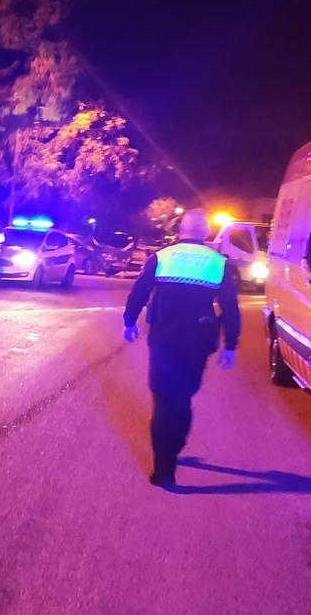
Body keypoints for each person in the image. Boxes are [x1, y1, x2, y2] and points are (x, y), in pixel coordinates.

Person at [123, 208, 240, 489]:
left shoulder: (162, 257)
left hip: (163, 340)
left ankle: (164, 470)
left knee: (163, 401)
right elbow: (231, 308)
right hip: (197, 343)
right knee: (183, 399)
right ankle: (175, 445)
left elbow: (140, 291)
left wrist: (130, 321)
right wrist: (230, 345)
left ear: (180, 230)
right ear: (206, 232)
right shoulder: (218, 263)